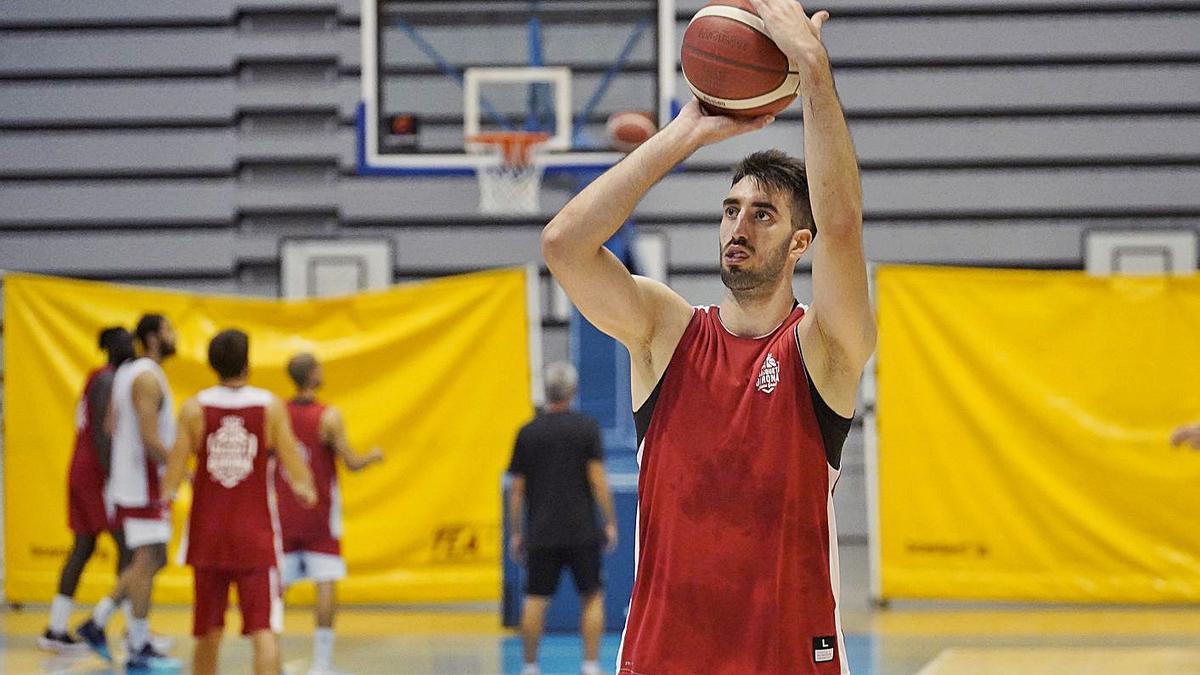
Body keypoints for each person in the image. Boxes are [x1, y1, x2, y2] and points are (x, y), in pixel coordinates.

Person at [540, 1, 874, 671]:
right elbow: (565, 245)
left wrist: (812, 70)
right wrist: (686, 131)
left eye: (763, 215)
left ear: (799, 242)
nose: (738, 227)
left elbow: (843, 229)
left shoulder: (823, 351)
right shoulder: (666, 332)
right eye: (729, 210)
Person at [162, 329, 318, 675]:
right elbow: (296, 467)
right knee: (264, 631)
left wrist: (168, 497)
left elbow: (172, 476)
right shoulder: (269, 406)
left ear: (212, 365)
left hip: (207, 535)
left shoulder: (194, 408)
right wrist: (307, 490)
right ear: (248, 363)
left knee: (207, 632)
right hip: (255, 535)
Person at [77, 314, 182, 670]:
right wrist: (184, 470)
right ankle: (136, 646)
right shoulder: (147, 377)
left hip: (131, 481)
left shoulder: (126, 372)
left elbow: (109, 425)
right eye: (169, 330)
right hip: (143, 484)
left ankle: (100, 622)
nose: (174, 336)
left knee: (153, 560)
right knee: (145, 562)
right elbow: (151, 439)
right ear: (153, 338)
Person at [507, 362, 618, 675]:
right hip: (582, 531)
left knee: (535, 598)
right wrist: (609, 521)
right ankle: (591, 665)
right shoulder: (586, 428)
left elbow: (516, 492)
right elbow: (598, 480)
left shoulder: (527, 433)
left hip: (540, 532)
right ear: (573, 391)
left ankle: (529, 666)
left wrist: (516, 532)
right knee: (592, 595)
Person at [277, 353, 383, 675]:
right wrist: (372, 457)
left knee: (275, 588)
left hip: (284, 511)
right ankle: (321, 664)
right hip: (320, 513)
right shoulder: (329, 417)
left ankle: (270, 657)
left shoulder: (277, 414)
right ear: (312, 374)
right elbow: (350, 462)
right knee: (325, 582)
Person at [40, 327, 135, 653]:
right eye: (128, 341)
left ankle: (55, 628)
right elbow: (102, 434)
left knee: (83, 546)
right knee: (131, 549)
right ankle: (131, 630)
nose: (132, 346)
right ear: (116, 347)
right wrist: (112, 479)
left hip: (81, 469)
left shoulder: (99, 376)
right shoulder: (108, 379)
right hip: (96, 474)